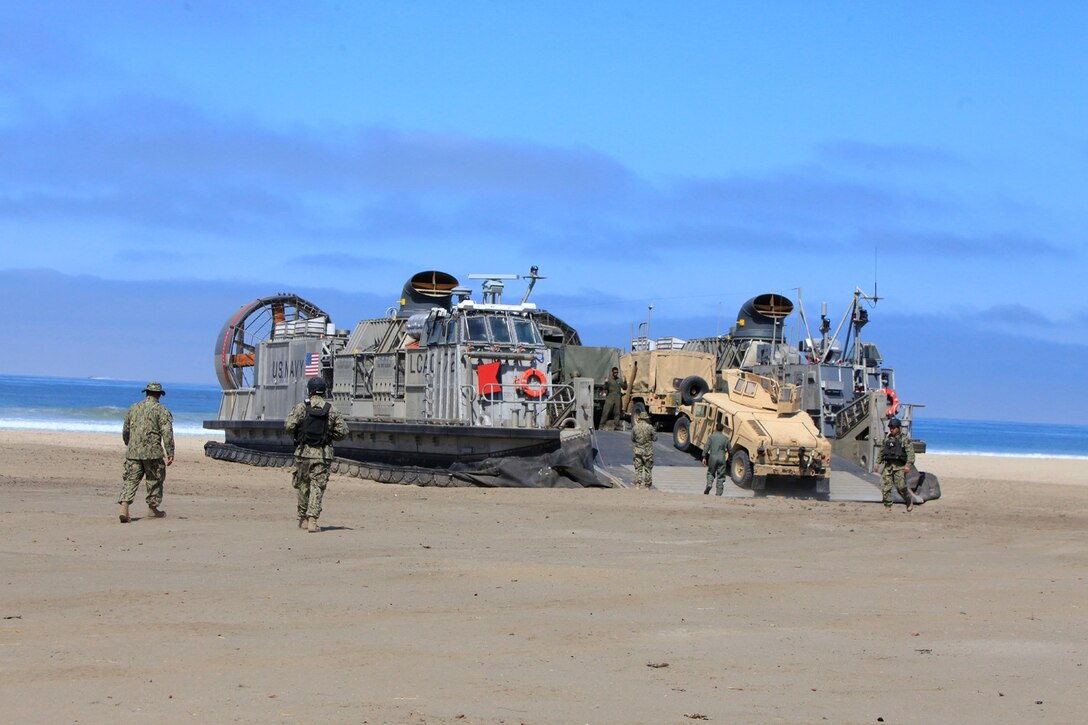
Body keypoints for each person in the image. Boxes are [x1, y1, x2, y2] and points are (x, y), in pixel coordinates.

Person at [285, 377, 348, 532]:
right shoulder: (331, 409)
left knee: (303, 485)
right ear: (324, 390)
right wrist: (329, 435)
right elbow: (343, 432)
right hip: (322, 453)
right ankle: (313, 520)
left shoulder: (302, 407)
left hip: (303, 452)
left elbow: (289, 425)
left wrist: (298, 434)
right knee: (317, 486)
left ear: (310, 390)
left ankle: (302, 519)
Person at [118, 381, 174, 523]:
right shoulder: (161, 410)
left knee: (131, 479)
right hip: (153, 453)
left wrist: (127, 442)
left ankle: (124, 507)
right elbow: (167, 432)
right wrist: (170, 451)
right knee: (154, 480)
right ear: (159, 395)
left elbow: (126, 429)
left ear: (147, 393)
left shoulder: (134, 408)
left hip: (133, 452)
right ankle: (152, 509)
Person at [877, 417, 917, 512]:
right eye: (890, 427)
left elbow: (911, 454)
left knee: (901, 487)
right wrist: (877, 464)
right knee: (884, 486)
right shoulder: (887, 440)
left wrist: (908, 465)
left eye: (893, 427)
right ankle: (888, 505)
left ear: (898, 428)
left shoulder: (904, 439)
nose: (891, 429)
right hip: (888, 466)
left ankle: (908, 501)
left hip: (900, 467)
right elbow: (881, 452)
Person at [630, 410, 657, 489]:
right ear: (646, 418)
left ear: (640, 418)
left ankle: (637, 485)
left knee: (638, 468)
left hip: (638, 450)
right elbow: (655, 439)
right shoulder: (650, 427)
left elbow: (632, 439)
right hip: (648, 451)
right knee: (648, 469)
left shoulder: (635, 427)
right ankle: (647, 486)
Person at [702, 422, 730, 496]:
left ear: (715, 428)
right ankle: (719, 493)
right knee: (721, 476)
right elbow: (730, 450)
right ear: (722, 430)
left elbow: (706, 447)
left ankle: (709, 484)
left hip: (712, 457)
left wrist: (704, 457)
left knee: (711, 472)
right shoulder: (725, 438)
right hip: (722, 458)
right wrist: (730, 457)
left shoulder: (711, 437)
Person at [599, 366, 628, 431]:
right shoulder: (609, 379)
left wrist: (625, 381)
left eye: (617, 372)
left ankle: (616, 425)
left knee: (617, 412)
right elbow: (604, 388)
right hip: (610, 397)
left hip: (617, 397)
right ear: (612, 372)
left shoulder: (619, 380)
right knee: (606, 411)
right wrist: (606, 382)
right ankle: (601, 425)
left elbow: (624, 387)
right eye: (614, 372)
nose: (616, 373)